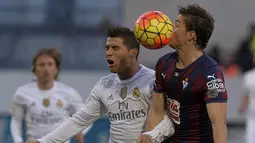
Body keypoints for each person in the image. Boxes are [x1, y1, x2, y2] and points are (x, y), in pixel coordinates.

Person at [26, 27, 174, 143]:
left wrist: (151, 136)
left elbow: (170, 120)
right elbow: (79, 120)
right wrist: (43, 141)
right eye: (107, 48)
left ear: (132, 53)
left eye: (115, 48)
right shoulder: (105, 85)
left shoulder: (153, 80)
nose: (108, 53)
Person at [137, 4, 228, 143]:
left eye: (176, 25)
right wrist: (151, 136)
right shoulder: (164, 64)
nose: (169, 29)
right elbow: (156, 112)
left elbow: (219, 125)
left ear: (191, 35)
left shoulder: (210, 73)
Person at [10, 48, 85, 143]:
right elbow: (16, 120)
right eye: (42, 65)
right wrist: (18, 141)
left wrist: (76, 131)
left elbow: (86, 119)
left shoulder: (69, 93)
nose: (46, 68)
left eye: (50, 64)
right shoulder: (22, 93)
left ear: (56, 69)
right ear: (34, 70)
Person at [239, 54, 255, 143]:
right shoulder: (249, 76)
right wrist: (243, 105)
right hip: (252, 113)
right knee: (250, 138)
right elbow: (246, 93)